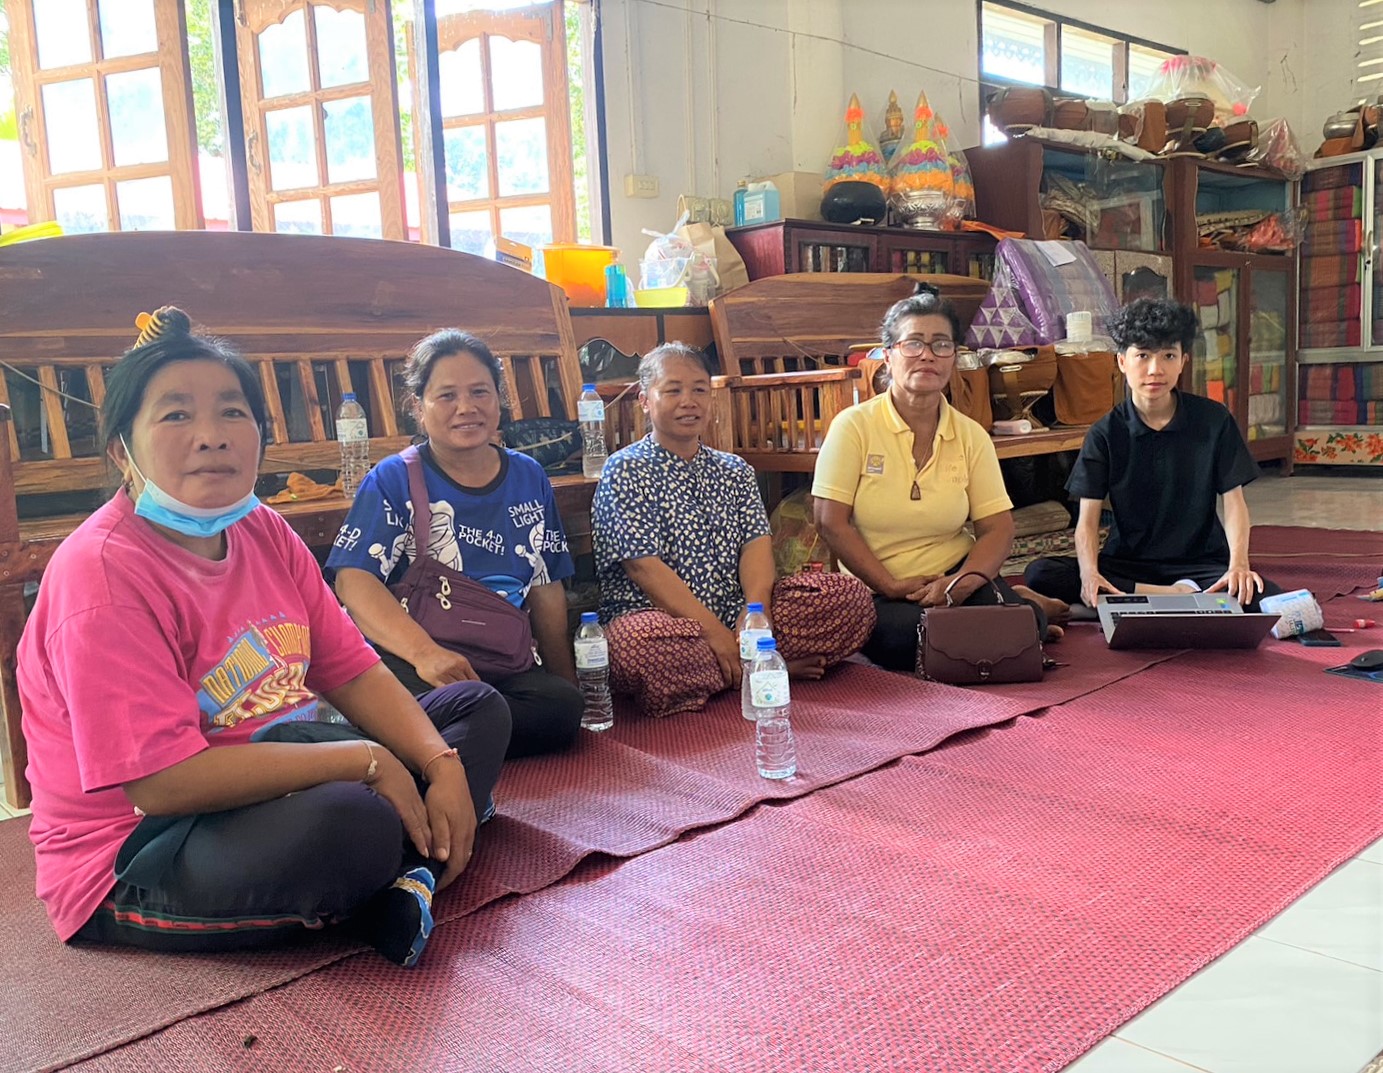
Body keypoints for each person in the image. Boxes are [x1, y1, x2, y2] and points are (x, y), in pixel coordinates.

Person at [17, 308, 510, 967]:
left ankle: (401, 874)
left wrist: (439, 763)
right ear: (121, 451)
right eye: (175, 415)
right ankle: (407, 856)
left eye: (232, 412)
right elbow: (160, 784)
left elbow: (352, 669)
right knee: (352, 821)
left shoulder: (262, 530)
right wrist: (367, 761)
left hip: (280, 772)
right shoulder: (102, 573)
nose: (211, 437)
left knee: (475, 710)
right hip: (145, 844)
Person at [327, 329, 583, 755]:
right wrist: (426, 654)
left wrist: (565, 683)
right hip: (416, 663)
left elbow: (546, 584)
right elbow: (353, 580)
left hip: (500, 658)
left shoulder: (528, 476)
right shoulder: (393, 478)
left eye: (480, 392)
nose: (466, 408)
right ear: (419, 407)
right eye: (446, 396)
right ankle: (457, 733)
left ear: (498, 399)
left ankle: (445, 739)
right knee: (412, 699)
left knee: (559, 708)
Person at [592, 343, 875, 718]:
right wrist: (714, 634)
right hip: (664, 623)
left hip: (740, 618)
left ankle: (732, 669)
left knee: (849, 597)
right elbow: (643, 567)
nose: (689, 401)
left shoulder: (734, 470)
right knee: (636, 649)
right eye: (673, 390)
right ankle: (764, 670)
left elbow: (756, 545)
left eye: (699, 389)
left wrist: (757, 616)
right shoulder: (624, 469)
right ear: (645, 401)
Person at [812, 291, 1063, 673]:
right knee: (903, 638)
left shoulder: (971, 435)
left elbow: (997, 527)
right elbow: (829, 521)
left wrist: (961, 584)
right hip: (879, 587)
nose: (927, 355)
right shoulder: (854, 427)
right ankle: (1019, 612)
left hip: (954, 576)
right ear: (888, 355)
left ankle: (1021, 612)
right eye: (913, 343)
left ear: (954, 358)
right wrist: (889, 585)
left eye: (941, 345)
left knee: (1011, 627)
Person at [1023, 298, 1281, 610]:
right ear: (1122, 361)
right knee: (1041, 573)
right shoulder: (1105, 433)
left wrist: (1238, 565)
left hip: (1201, 563)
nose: (1155, 370)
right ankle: (1176, 597)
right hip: (1128, 564)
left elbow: (1234, 501)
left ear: (1183, 361)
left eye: (1168, 356)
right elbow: (1087, 521)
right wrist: (1090, 573)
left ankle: (1131, 601)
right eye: (1143, 356)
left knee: (1269, 598)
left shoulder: (1214, 421)